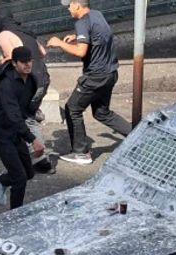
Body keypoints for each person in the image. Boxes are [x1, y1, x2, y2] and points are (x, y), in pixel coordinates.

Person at [47, 0, 132, 166]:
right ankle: (137, 135)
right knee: (102, 113)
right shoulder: (97, 15)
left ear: (77, 5)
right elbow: (100, 36)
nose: (68, 9)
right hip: (110, 73)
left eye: (69, 5)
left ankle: (81, 153)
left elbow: (81, 51)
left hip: (95, 77)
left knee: (72, 108)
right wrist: (76, 37)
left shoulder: (82, 23)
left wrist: (60, 43)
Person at [0, 8, 54, 174]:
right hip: (43, 80)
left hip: (29, 82)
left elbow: (14, 57)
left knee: (25, 119)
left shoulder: (3, 35)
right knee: (27, 115)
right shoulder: (25, 32)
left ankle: (42, 160)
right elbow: (43, 52)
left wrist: (2, 60)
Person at [0, 46, 45, 209]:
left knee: (28, 173)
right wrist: (32, 139)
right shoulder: (7, 85)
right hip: (0, 134)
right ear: (14, 63)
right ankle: (14, 217)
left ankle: (1, 180)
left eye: (30, 61)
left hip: (15, 132)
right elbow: (13, 115)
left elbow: (25, 108)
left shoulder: (31, 81)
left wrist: (35, 114)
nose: (28, 65)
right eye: (23, 62)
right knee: (19, 178)